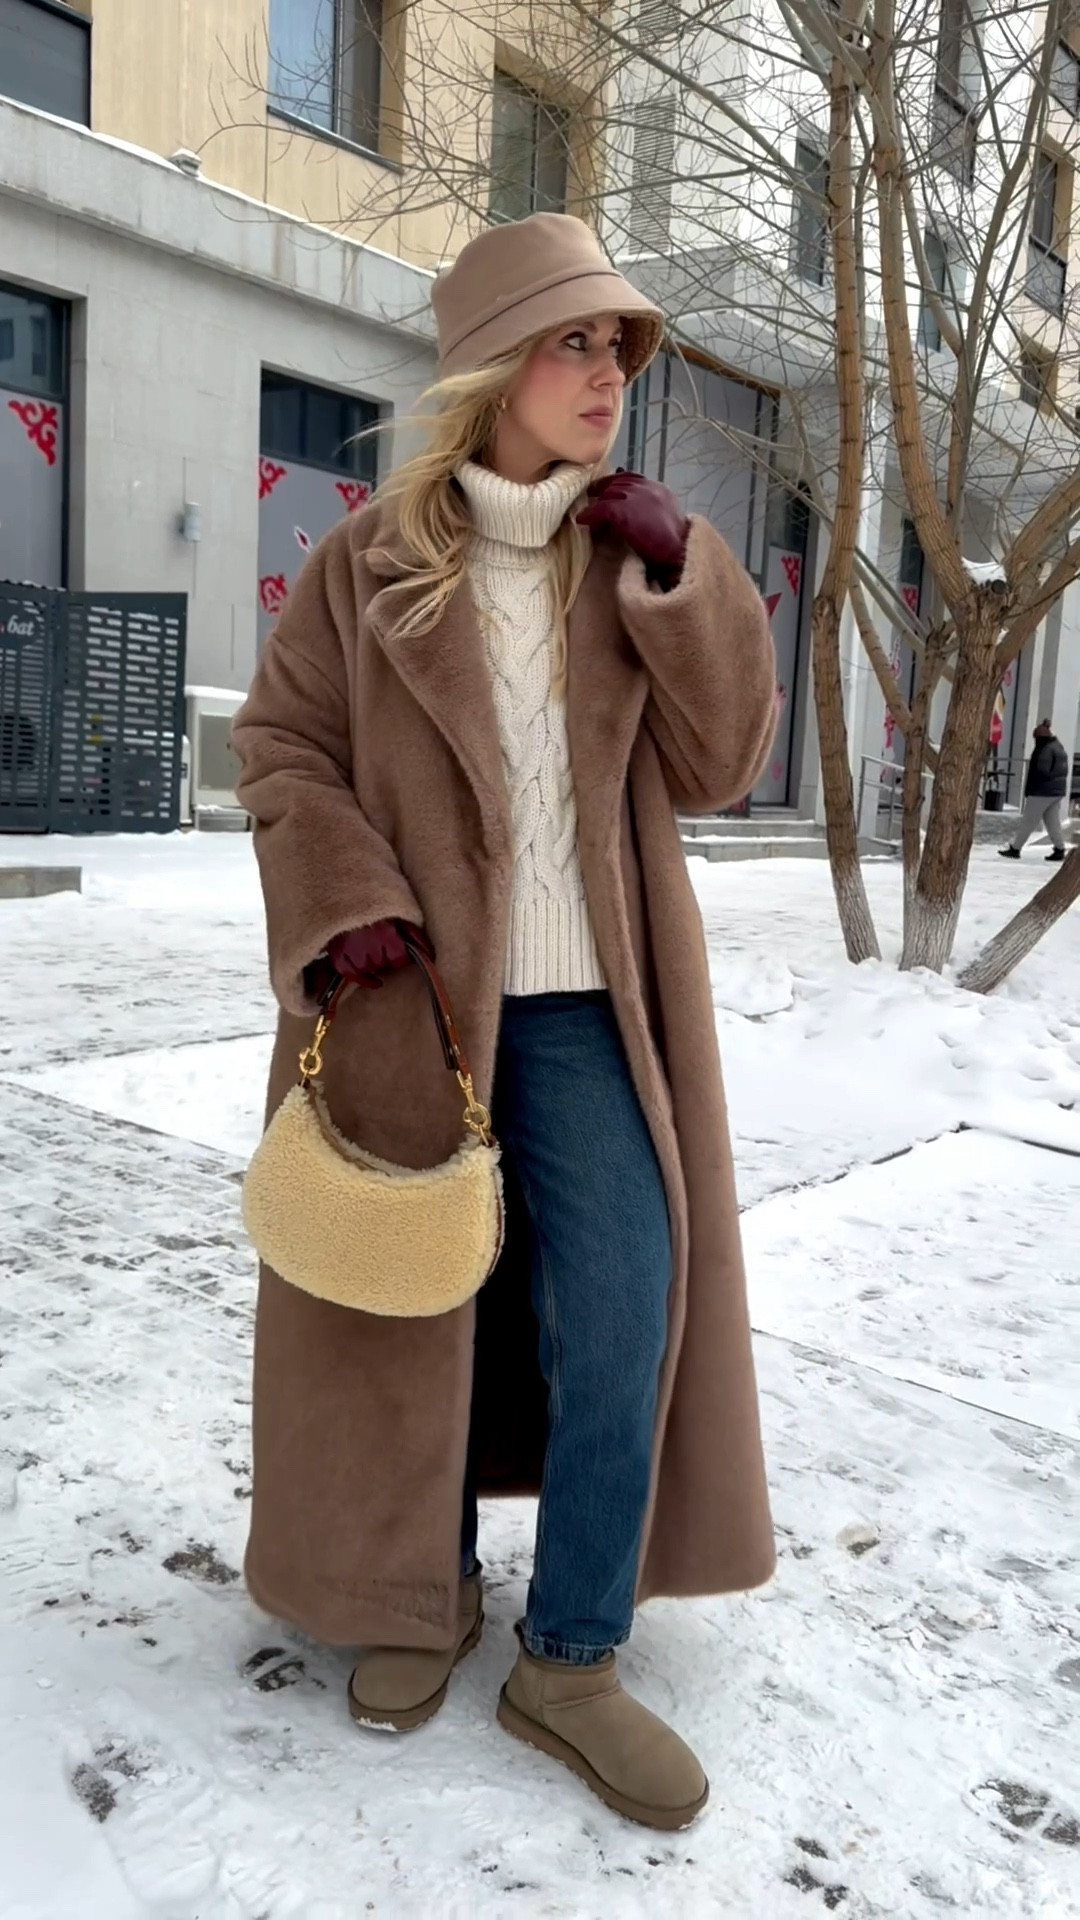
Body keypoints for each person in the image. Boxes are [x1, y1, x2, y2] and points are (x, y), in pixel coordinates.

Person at [232, 213, 778, 1832]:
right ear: (492, 367)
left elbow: (724, 759)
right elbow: (281, 749)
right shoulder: (365, 568)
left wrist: (684, 577)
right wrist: (345, 898)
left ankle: (575, 1657)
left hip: (596, 1010)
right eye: (574, 344)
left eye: (618, 348)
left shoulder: (635, 560)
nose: (609, 375)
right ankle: (423, 1592)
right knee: (421, 1314)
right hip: (418, 1001)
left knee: (620, 1312)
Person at [999, 720, 1069, 861]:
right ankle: (1060, 849)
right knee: (1052, 822)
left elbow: (1040, 771)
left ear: (1039, 737)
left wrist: (1031, 788)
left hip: (1041, 792)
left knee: (1028, 821)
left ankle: (1015, 848)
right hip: (1056, 792)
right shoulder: (1058, 746)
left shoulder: (1044, 749)